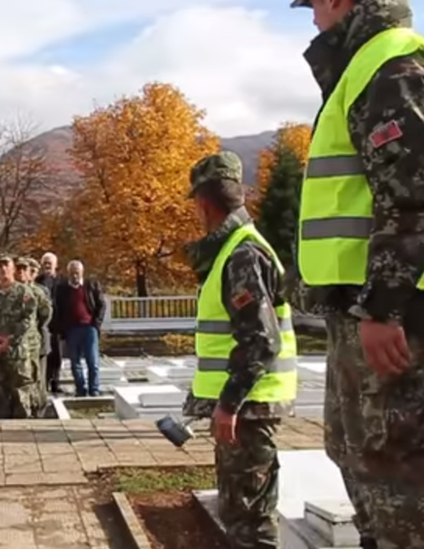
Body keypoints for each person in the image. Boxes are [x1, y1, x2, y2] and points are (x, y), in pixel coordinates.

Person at [290, 1, 424, 547]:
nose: (312, 17)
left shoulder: (390, 66)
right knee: (355, 454)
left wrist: (382, 304)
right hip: (359, 306)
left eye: (316, 3)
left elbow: (413, 193)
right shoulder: (362, 67)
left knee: (392, 463)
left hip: (393, 312)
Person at [182, 152, 298, 549]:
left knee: (249, 522)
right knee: (242, 513)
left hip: (248, 408)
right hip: (247, 407)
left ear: (203, 203)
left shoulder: (241, 252)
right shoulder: (239, 246)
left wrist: (228, 404)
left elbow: (261, 340)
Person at [0, 254, 50, 419]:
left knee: (21, 390)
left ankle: (23, 428)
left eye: (6, 265)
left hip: (18, 351)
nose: (3, 269)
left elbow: (30, 318)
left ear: (12, 268)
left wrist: (10, 339)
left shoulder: (23, 291)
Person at [54, 261, 106, 397]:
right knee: (74, 362)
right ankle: (80, 389)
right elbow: (58, 309)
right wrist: (62, 329)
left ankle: (94, 389)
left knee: (92, 361)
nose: (74, 275)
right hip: (71, 329)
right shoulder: (62, 289)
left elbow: (101, 305)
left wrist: (96, 324)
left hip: (89, 328)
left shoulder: (91, 285)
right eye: (72, 272)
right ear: (68, 273)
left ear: (82, 272)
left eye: (77, 272)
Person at [16, 258, 54, 399]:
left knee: (38, 379)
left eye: (29, 270)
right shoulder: (12, 290)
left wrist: (33, 328)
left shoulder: (39, 291)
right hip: (18, 345)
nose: (24, 273)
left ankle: (39, 409)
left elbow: (45, 315)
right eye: (19, 270)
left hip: (37, 341)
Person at [37, 252, 63, 393]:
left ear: (55, 265)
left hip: (57, 324)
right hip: (43, 325)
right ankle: (44, 382)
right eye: (45, 262)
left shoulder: (61, 281)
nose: (47, 265)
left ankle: (56, 381)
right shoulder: (38, 281)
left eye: (50, 263)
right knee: (45, 353)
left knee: (57, 355)